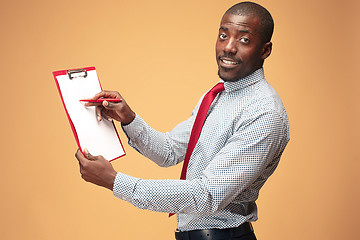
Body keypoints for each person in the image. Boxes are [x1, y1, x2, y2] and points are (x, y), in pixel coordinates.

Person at [75, 2, 289, 239]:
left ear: (265, 50)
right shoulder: (217, 96)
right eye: (223, 35)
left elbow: (206, 195)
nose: (228, 47)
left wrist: (115, 181)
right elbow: (168, 151)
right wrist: (128, 118)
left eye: (244, 40)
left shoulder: (265, 113)